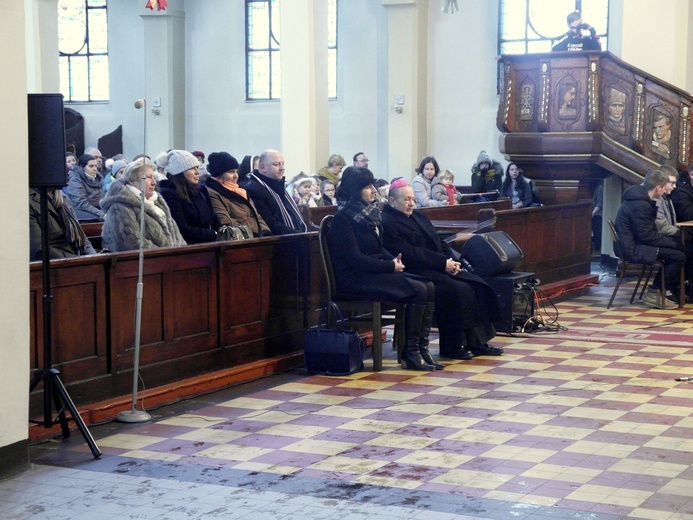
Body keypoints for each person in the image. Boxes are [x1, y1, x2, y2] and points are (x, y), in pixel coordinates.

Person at [327, 167, 438, 371]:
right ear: (355, 189)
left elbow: (379, 248)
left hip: (373, 272)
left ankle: (421, 348)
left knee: (428, 285)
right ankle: (410, 352)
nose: (373, 190)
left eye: (372, 186)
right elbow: (354, 258)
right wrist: (389, 266)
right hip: (356, 279)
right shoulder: (343, 219)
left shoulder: (370, 214)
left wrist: (394, 260)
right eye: (367, 187)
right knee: (419, 289)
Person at [382, 179, 503, 361]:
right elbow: (410, 253)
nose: (411, 203)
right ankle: (451, 346)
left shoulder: (419, 216)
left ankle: (477, 341)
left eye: (413, 199)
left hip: (437, 265)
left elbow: (438, 241)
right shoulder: (388, 221)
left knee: (475, 283)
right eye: (406, 199)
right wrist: (442, 264)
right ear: (392, 201)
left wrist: (452, 261)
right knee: (456, 289)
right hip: (416, 270)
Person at [614, 169, 685, 309]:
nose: (665, 191)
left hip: (637, 244)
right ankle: (655, 292)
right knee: (679, 256)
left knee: (680, 251)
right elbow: (646, 236)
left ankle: (664, 290)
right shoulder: (641, 205)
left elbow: (647, 234)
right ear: (658, 188)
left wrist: (673, 243)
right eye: (665, 188)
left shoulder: (641, 200)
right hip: (633, 249)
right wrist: (674, 244)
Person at [100, 159, 185, 251]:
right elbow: (131, 243)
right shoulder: (120, 207)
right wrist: (168, 255)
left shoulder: (157, 203)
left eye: (154, 178)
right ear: (132, 181)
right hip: (141, 262)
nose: (154, 182)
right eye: (148, 178)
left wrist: (182, 254)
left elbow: (176, 236)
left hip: (170, 259)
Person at [240, 149, 308, 235]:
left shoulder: (278, 185)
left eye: (283, 164)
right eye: (276, 164)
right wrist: (301, 235)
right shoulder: (254, 190)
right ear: (263, 167)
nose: (282, 168)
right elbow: (271, 224)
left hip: (295, 236)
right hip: (278, 242)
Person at [158, 149, 218, 244]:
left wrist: (221, 232)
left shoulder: (201, 191)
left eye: (197, 167)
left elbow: (213, 218)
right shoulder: (169, 194)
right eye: (192, 168)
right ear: (180, 172)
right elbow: (182, 230)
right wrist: (213, 234)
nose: (197, 172)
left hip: (210, 244)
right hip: (189, 248)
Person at [205, 152, 271, 237]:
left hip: (256, 240)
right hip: (239, 242)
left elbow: (257, 216)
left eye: (237, 171)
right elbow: (225, 221)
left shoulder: (241, 191)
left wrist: (266, 231)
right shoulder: (212, 193)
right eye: (231, 172)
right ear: (218, 174)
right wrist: (252, 235)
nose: (236, 176)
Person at [29, 188, 96, 261]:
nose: (67, 176)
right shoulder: (29, 201)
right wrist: (78, 260)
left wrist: (94, 259)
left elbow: (80, 235)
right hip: (56, 265)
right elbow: (38, 249)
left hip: (75, 259)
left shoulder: (62, 197)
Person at [65, 153, 105, 221]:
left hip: (99, 210)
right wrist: (102, 214)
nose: (95, 169)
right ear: (82, 167)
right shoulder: (75, 180)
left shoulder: (98, 178)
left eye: (96, 166)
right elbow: (81, 204)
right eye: (91, 166)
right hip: (83, 214)